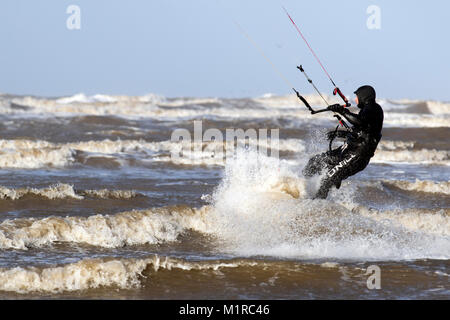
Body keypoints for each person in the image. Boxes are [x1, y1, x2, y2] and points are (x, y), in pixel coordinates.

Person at [302, 85, 384, 199]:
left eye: (357, 96)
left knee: (327, 181)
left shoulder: (373, 109)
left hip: (357, 156)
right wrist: (339, 134)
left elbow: (359, 122)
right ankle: (301, 188)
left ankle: (315, 208)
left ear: (363, 97)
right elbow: (361, 132)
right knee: (315, 162)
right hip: (347, 151)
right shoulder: (367, 110)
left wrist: (342, 111)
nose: (356, 100)